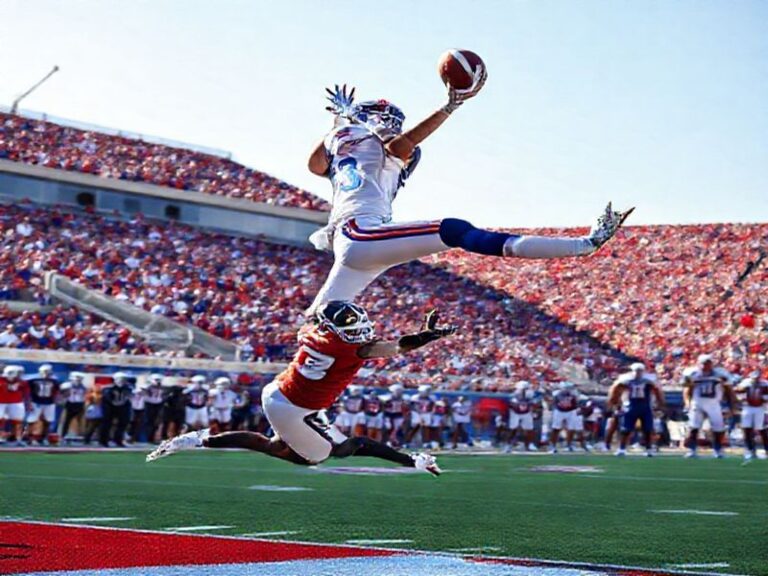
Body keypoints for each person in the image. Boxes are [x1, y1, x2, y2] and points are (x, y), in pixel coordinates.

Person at [305, 82, 633, 314]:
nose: (393, 124)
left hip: (357, 240)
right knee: (455, 231)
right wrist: (449, 106)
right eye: (386, 118)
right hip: (361, 233)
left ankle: (300, 408)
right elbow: (387, 148)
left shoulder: (353, 139)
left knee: (317, 323)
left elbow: (323, 163)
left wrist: (341, 125)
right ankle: (582, 246)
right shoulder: (361, 138)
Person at [147, 302, 454, 476]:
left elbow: (317, 318)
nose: (361, 333)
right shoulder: (352, 349)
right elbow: (396, 347)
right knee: (316, 455)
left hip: (280, 394)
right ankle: (414, 461)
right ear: (334, 331)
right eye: (353, 329)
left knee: (282, 444)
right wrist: (426, 337)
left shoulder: (310, 333)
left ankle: (198, 440)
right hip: (296, 410)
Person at [682, 354, 735, 459]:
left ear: (711, 363)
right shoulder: (692, 373)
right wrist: (687, 403)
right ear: (698, 363)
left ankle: (718, 450)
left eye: (707, 363)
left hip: (714, 403)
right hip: (697, 402)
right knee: (694, 427)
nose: (704, 366)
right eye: (702, 363)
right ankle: (692, 450)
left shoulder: (720, 374)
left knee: (718, 428)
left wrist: (731, 405)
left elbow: (729, 391)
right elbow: (687, 390)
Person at [608, 363, 665, 457]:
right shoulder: (626, 380)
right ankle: (622, 448)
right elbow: (616, 389)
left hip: (645, 406)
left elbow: (657, 391)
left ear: (643, 371)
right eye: (636, 370)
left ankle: (649, 449)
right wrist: (615, 402)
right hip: (631, 406)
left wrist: (660, 403)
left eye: (639, 371)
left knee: (647, 429)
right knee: (625, 429)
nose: (637, 373)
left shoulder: (648, 381)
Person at [25, 364, 60, 445]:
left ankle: (43, 437)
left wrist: (56, 399)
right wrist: (29, 402)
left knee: (48, 420)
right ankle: (29, 437)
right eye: (44, 372)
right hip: (36, 402)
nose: (46, 373)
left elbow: (56, 391)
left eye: (48, 372)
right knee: (32, 420)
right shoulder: (33, 380)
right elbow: (27, 391)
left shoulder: (54, 381)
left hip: (49, 402)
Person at [736, 375, 768, 460]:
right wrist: (742, 397)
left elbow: (765, 397)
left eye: (757, 378)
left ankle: (766, 449)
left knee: (762, 429)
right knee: (747, 429)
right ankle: (750, 449)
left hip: (760, 408)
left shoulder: (764, 384)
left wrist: (763, 399)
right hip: (747, 408)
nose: (755, 380)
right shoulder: (745, 383)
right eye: (754, 378)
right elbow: (738, 392)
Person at [99, 372, 133, 447]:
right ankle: (103, 441)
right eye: (120, 379)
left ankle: (118, 440)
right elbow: (107, 398)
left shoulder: (128, 388)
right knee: (107, 423)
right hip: (110, 407)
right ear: (115, 380)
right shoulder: (108, 388)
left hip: (122, 407)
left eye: (124, 379)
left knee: (123, 423)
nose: (122, 381)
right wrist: (115, 403)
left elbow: (128, 397)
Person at [0, 365, 27, 445]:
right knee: (1, 420)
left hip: (16, 402)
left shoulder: (22, 382)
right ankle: (1, 437)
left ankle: (18, 438)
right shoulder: (1, 379)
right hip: (1, 402)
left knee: (18, 421)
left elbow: (26, 392)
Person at [59, 371, 88, 442]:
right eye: (77, 378)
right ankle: (62, 435)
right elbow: (61, 395)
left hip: (79, 404)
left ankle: (80, 436)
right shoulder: (66, 386)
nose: (78, 380)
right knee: (65, 421)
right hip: (69, 404)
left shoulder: (83, 387)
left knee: (81, 421)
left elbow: (84, 395)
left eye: (80, 379)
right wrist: (62, 401)